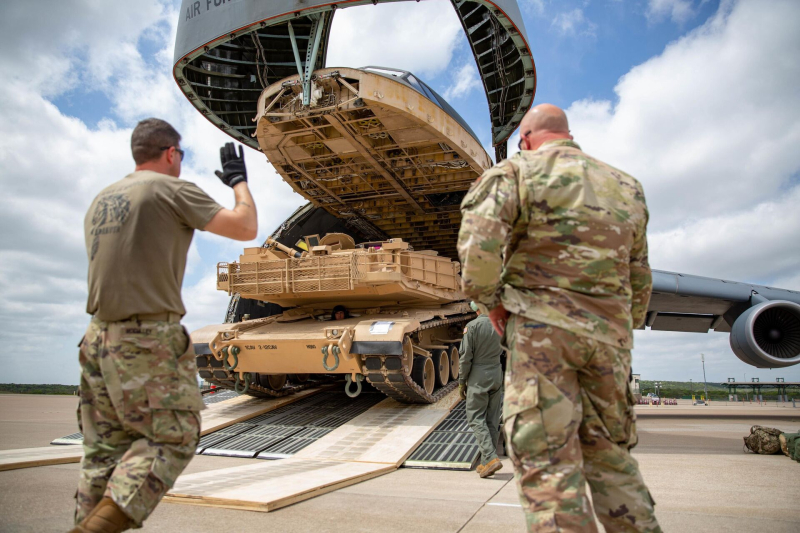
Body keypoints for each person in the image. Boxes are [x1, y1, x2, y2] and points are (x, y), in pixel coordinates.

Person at [457, 104, 661, 532]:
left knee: (548, 465)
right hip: (609, 342)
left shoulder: (516, 173)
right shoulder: (626, 186)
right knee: (613, 459)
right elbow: (640, 276)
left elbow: (478, 252)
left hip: (543, 334)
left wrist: (491, 302)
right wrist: (619, 328)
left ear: (526, 139)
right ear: (568, 135)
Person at [71, 118, 258, 533]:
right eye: (181, 156)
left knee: (103, 453)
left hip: (97, 338)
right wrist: (238, 182)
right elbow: (246, 226)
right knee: (172, 436)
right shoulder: (170, 189)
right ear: (171, 154)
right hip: (146, 337)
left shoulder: (101, 200)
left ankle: (87, 520)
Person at [458, 301, 504, 478]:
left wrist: (462, 382)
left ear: (477, 310)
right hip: (496, 374)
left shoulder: (473, 326)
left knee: (476, 417)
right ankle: (487, 462)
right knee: (492, 419)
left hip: (479, 376)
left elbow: (465, 358)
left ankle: (491, 458)